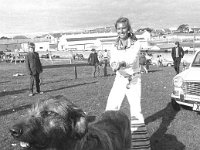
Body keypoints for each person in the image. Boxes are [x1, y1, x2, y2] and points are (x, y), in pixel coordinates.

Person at [105, 17, 151, 150]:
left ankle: (140, 146)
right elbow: (112, 58)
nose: (121, 31)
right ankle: (109, 141)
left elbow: (131, 59)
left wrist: (120, 63)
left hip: (134, 80)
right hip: (119, 80)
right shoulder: (113, 46)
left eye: (123, 28)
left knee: (136, 111)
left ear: (128, 29)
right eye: (118, 29)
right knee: (111, 108)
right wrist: (113, 63)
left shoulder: (136, 44)